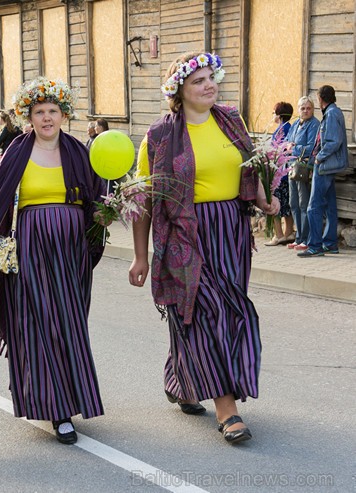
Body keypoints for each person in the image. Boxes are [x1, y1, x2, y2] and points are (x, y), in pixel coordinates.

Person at [129, 52, 280, 444]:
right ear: (178, 90)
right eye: (198, 80)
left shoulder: (231, 120)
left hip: (230, 231)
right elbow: (144, 199)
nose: (209, 85)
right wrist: (141, 255)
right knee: (209, 312)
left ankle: (180, 379)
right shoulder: (160, 136)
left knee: (221, 311)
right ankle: (227, 410)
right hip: (185, 234)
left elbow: (249, 165)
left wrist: (264, 200)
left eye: (212, 77)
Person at [0, 77, 105, 445]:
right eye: (39, 112)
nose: (46, 118)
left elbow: (98, 199)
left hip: (72, 252)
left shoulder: (78, 151)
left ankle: (70, 398)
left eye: (52, 111)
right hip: (32, 248)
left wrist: (111, 212)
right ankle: (57, 410)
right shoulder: (16, 153)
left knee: (70, 324)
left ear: (64, 115)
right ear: (28, 116)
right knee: (39, 323)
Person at [298, 85, 348, 257]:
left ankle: (315, 245)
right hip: (328, 165)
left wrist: (319, 157)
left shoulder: (332, 114)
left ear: (320, 99)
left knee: (314, 206)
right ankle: (330, 243)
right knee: (330, 205)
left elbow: (334, 141)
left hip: (325, 166)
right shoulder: (332, 112)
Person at [284, 96, 319, 251]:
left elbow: (310, 147)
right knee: (294, 203)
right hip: (291, 166)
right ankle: (298, 238)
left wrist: (294, 147)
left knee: (304, 202)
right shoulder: (296, 124)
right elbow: (286, 141)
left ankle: (306, 238)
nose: (305, 111)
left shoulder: (314, 124)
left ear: (312, 109)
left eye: (308, 108)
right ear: (298, 110)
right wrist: (289, 145)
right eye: (302, 108)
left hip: (303, 167)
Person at [264, 101, 295, 246]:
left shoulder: (281, 130)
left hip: (279, 173)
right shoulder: (290, 127)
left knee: (274, 203)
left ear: (279, 114)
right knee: (286, 204)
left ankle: (278, 234)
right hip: (286, 172)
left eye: (273, 112)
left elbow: (277, 152)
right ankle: (289, 232)